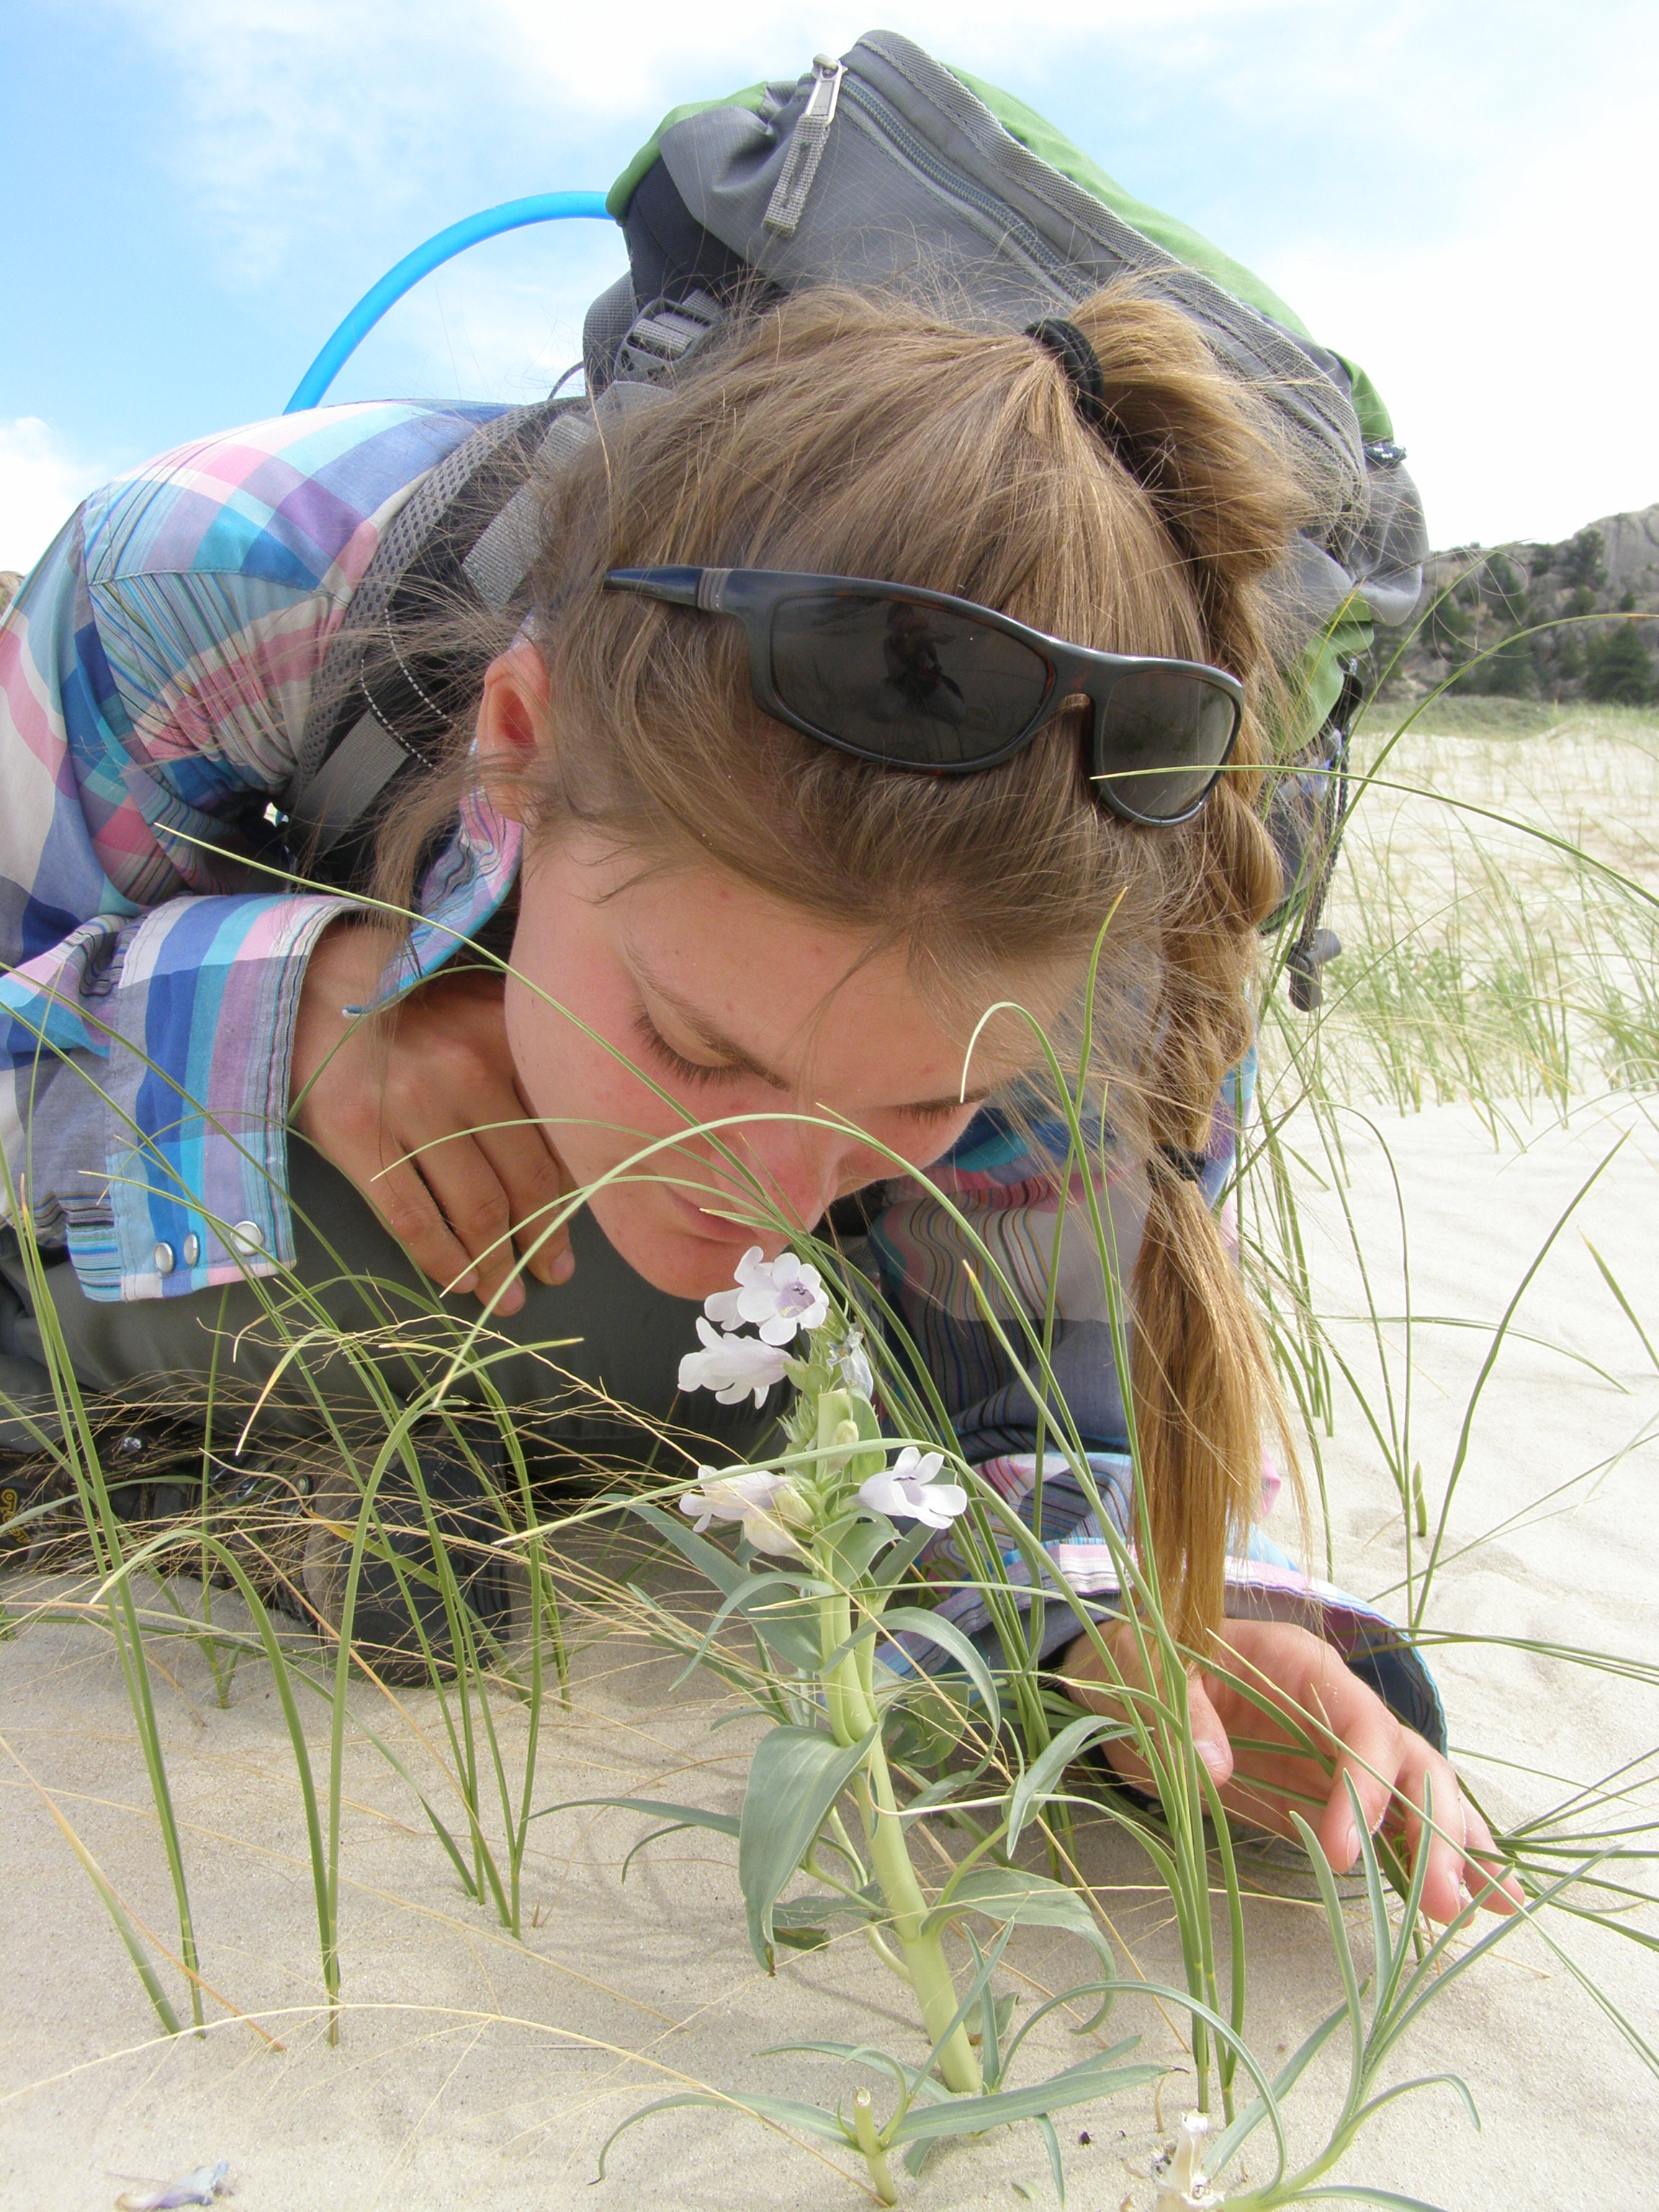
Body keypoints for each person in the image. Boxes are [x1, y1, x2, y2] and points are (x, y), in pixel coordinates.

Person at [0, 283, 1517, 1923]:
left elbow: (1034, 1389)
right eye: (700, 1044)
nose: (774, 1194)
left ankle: (370, 1448)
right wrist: (285, 1005)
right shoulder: (209, 568)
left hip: (698, 1377)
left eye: (927, 1106)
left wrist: (1148, 1618)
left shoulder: (1100, 951)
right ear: (517, 738)